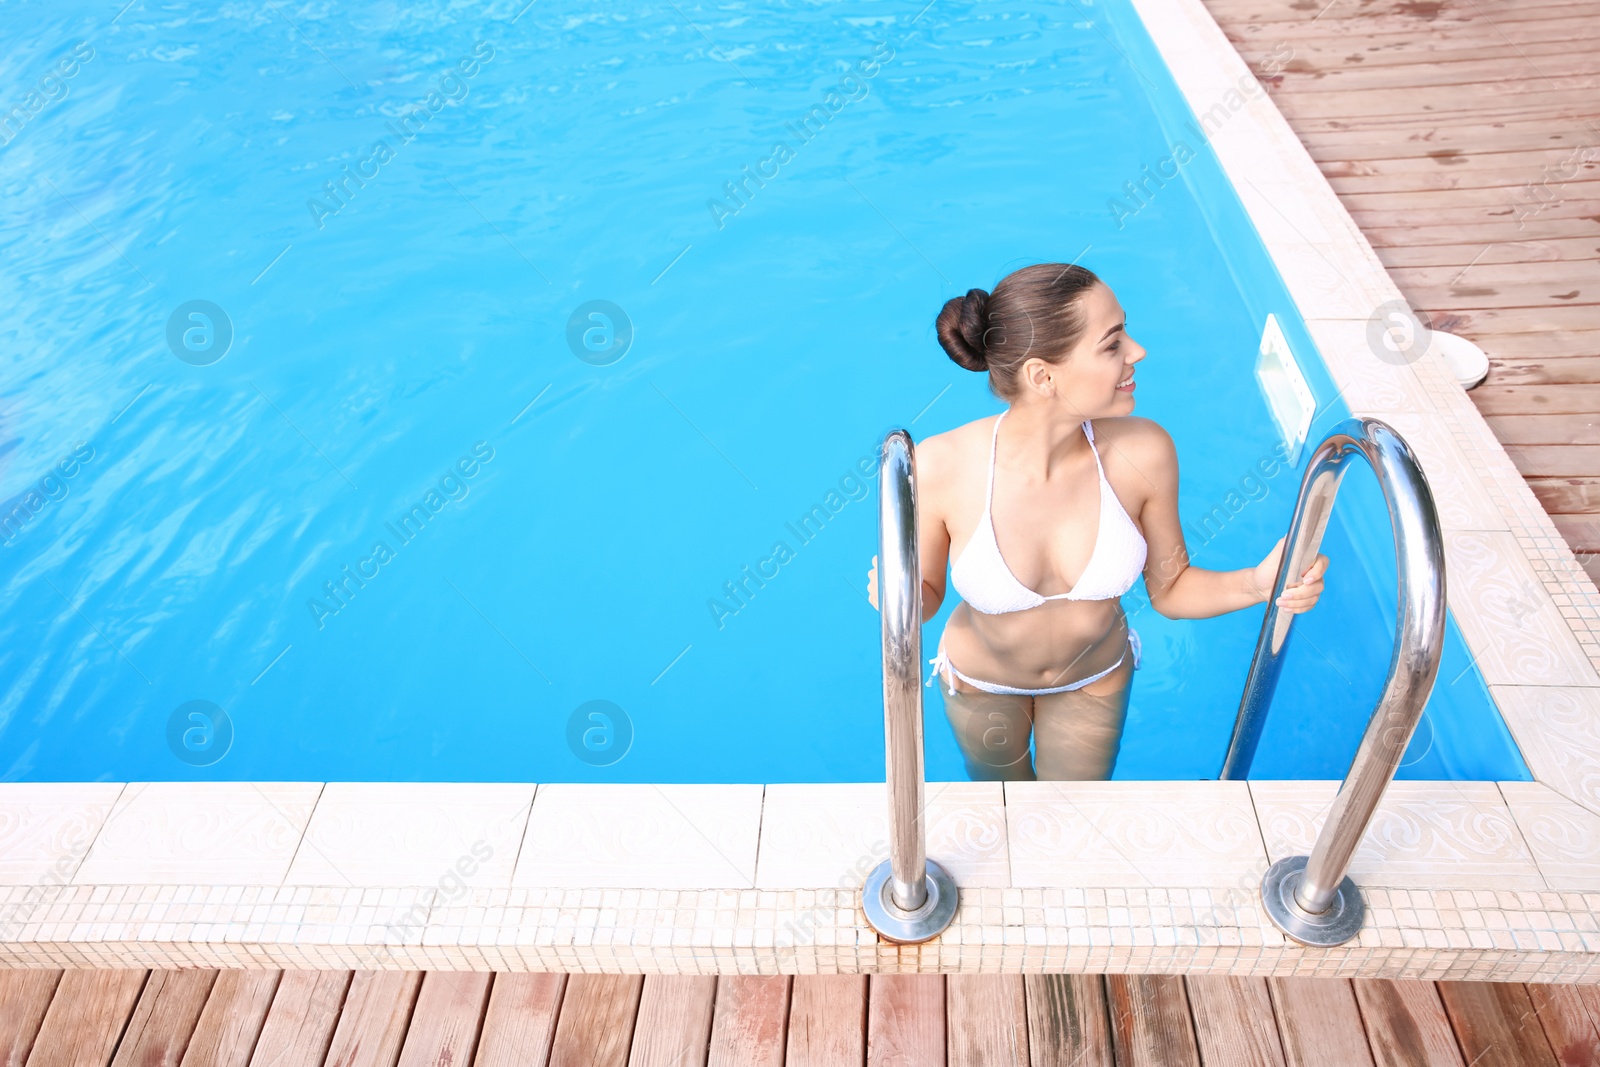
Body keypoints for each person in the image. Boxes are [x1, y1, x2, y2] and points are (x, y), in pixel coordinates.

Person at [867, 263, 1328, 781]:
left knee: (1075, 819)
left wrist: (1257, 584)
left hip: (1094, 679)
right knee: (1006, 814)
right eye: (1112, 344)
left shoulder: (1144, 452)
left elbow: (1171, 590)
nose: (1137, 352)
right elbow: (923, 600)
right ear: (1043, 376)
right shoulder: (943, 464)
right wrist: (896, 590)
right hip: (982, 682)